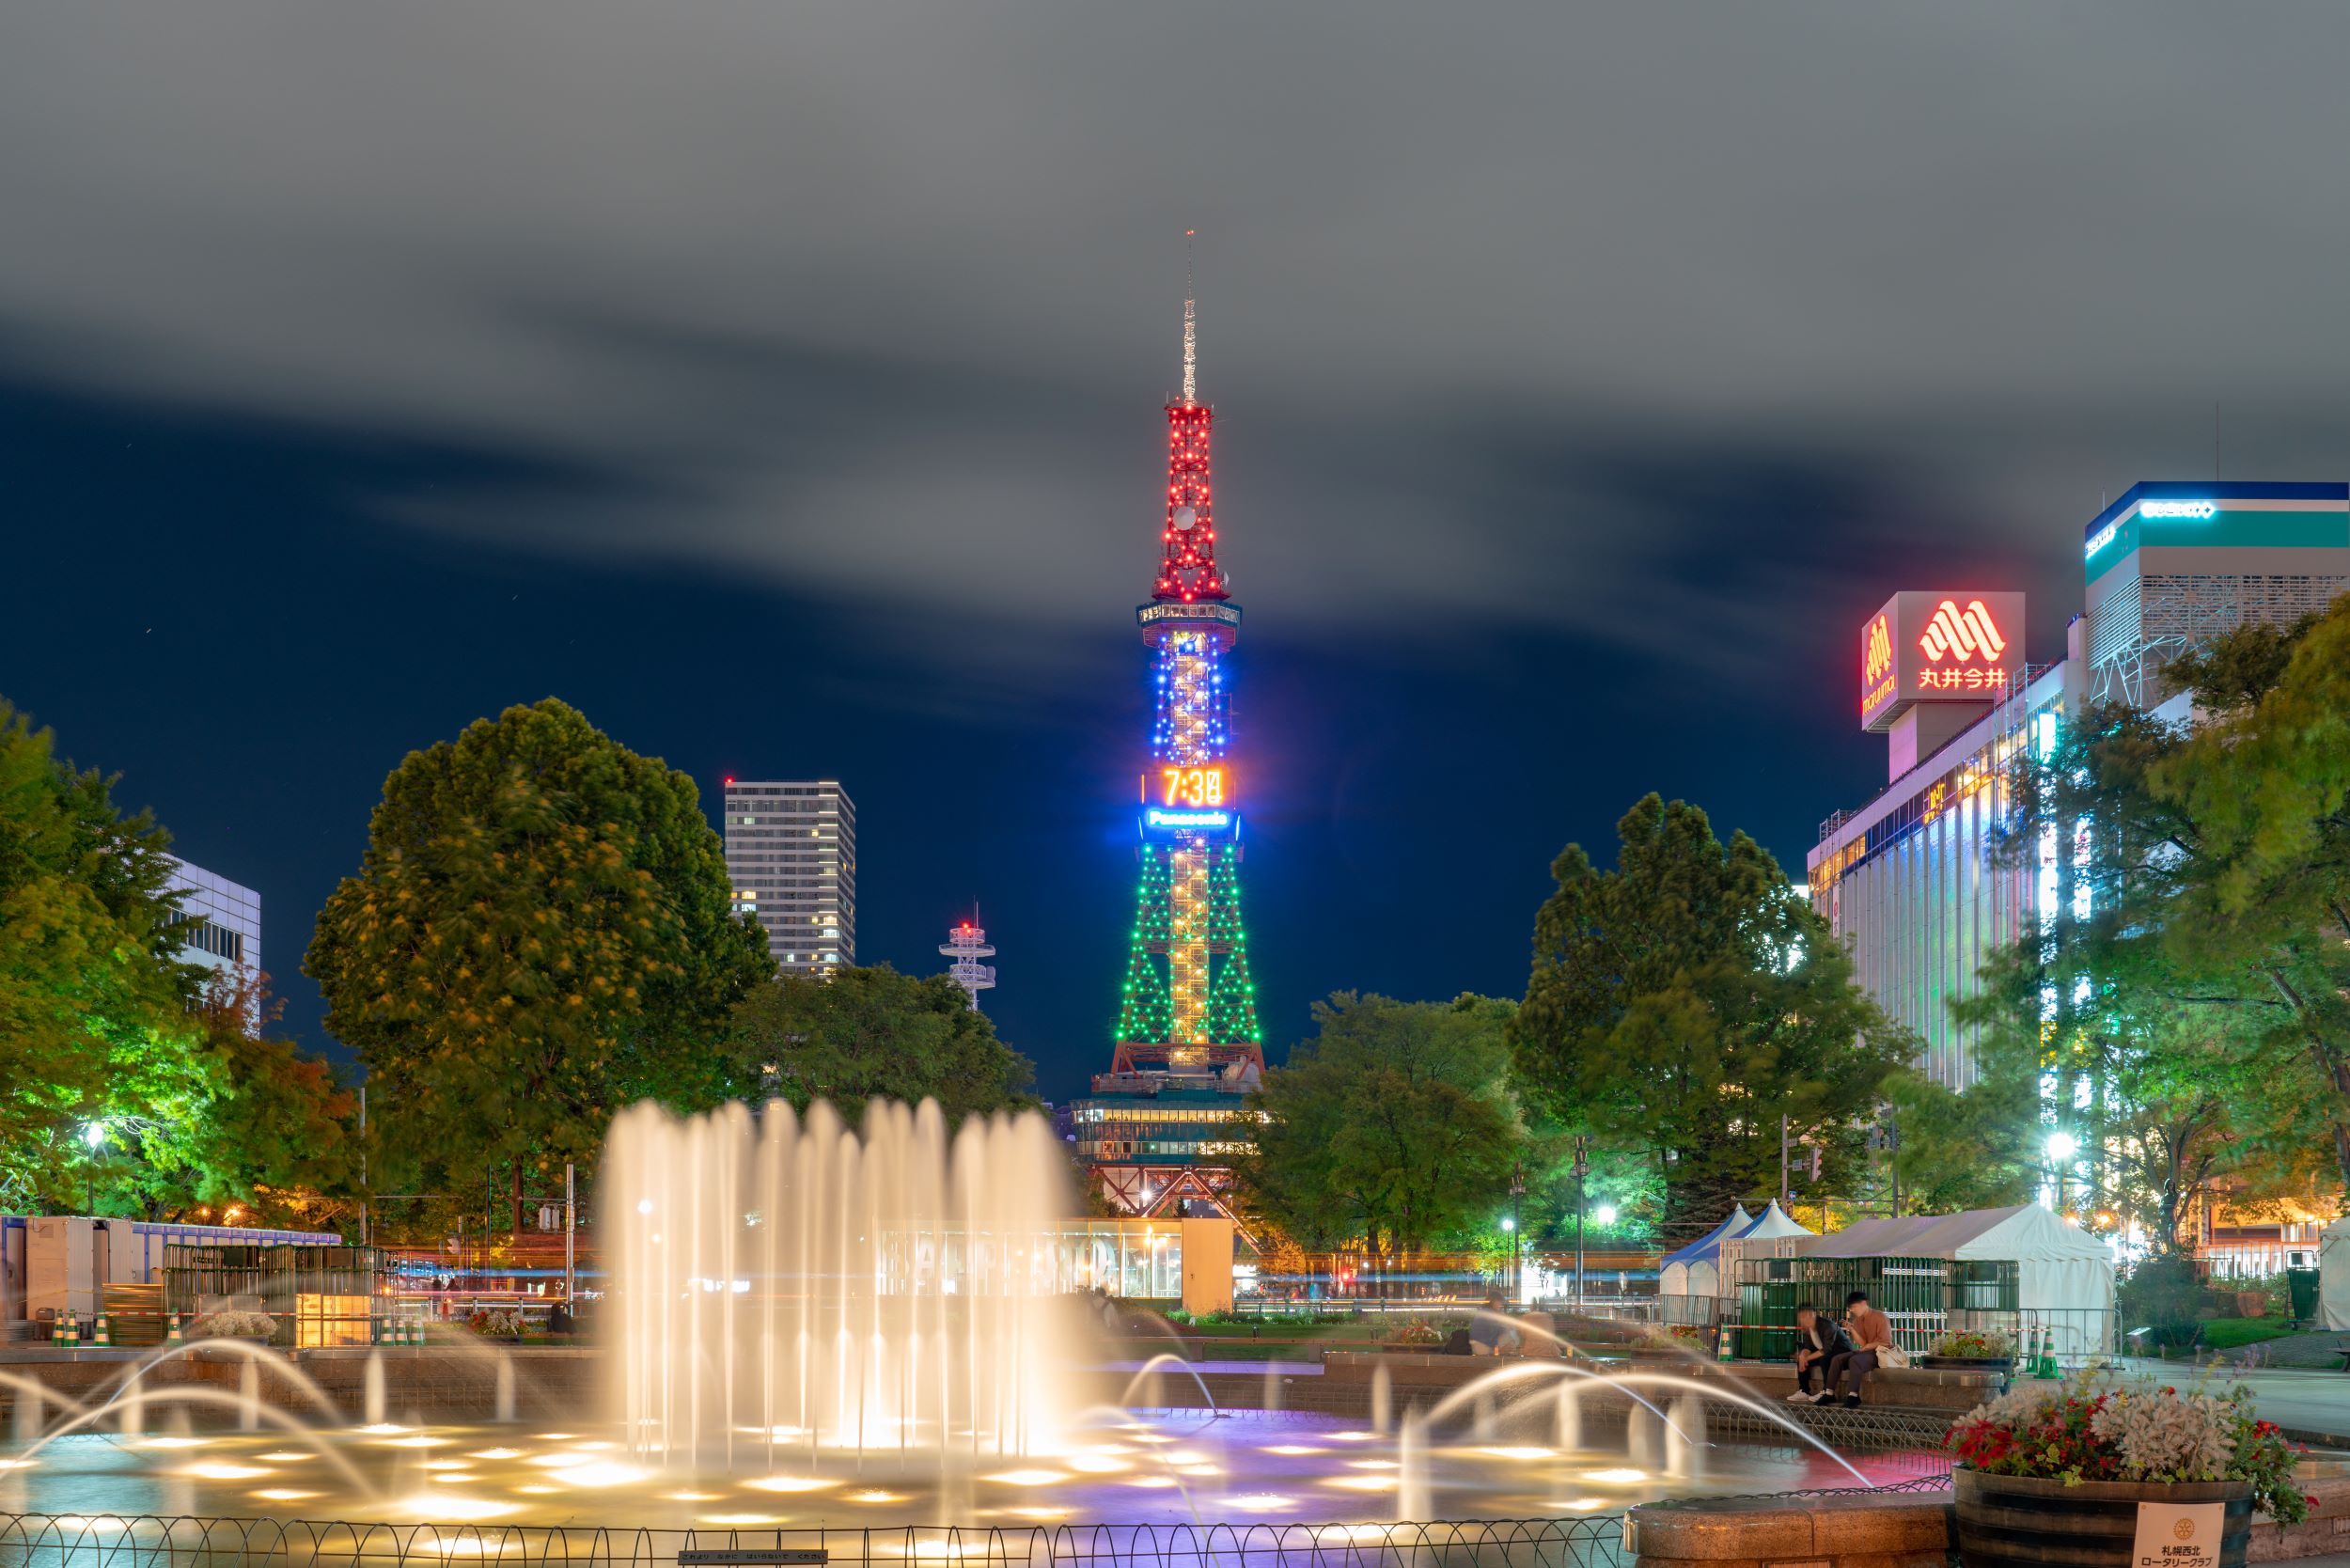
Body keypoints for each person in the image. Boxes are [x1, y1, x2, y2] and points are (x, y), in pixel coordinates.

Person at [1824, 1289, 1894, 1407]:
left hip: (1880, 1353)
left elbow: (1886, 1342)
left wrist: (1868, 1346)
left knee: (1854, 1360)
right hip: (1866, 1352)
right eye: (1850, 1308)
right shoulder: (1858, 1320)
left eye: (1854, 1307)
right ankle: (1829, 1393)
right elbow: (1863, 1343)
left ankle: (1853, 1395)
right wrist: (1852, 1329)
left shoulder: (1880, 1316)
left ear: (1863, 1303)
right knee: (1837, 1359)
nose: (1852, 1310)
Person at [1787, 1302, 1850, 1403]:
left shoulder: (1828, 1325)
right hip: (1827, 1355)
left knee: (1825, 1358)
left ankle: (1827, 1392)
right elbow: (1807, 1347)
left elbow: (1826, 1350)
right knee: (1802, 1359)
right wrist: (1803, 1355)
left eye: (1804, 1316)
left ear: (1812, 1314)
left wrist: (1807, 1358)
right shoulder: (1808, 1328)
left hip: (1843, 1355)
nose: (1802, 1319)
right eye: (1801, 1317)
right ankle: (1804, 1391)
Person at [1468, 1292, 1520, 1356]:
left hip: (1479, 1345)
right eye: (1499, 1302)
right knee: (1510, 1337)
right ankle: (1502, 1353)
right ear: (1493, 1301)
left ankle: (1502, 1353)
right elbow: (1499, 1328)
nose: (1500, 1305)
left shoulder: (1485, 1311)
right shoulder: (1489, 1313)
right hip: (1483, 1347)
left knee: (1509, 1336)